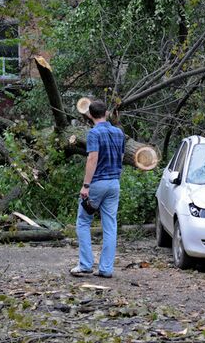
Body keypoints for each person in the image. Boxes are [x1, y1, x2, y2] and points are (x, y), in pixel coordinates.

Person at [70, 100, 125, 278]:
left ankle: (85, 264)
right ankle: (106, 269)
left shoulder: (94, 133)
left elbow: (92, 158)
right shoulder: (119, 133)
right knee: (110, 226)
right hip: (114, 183)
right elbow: (122, 156)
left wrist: (86, 185)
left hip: (97, 183)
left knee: (83, 221)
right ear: (106, 113)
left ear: (90, 115)